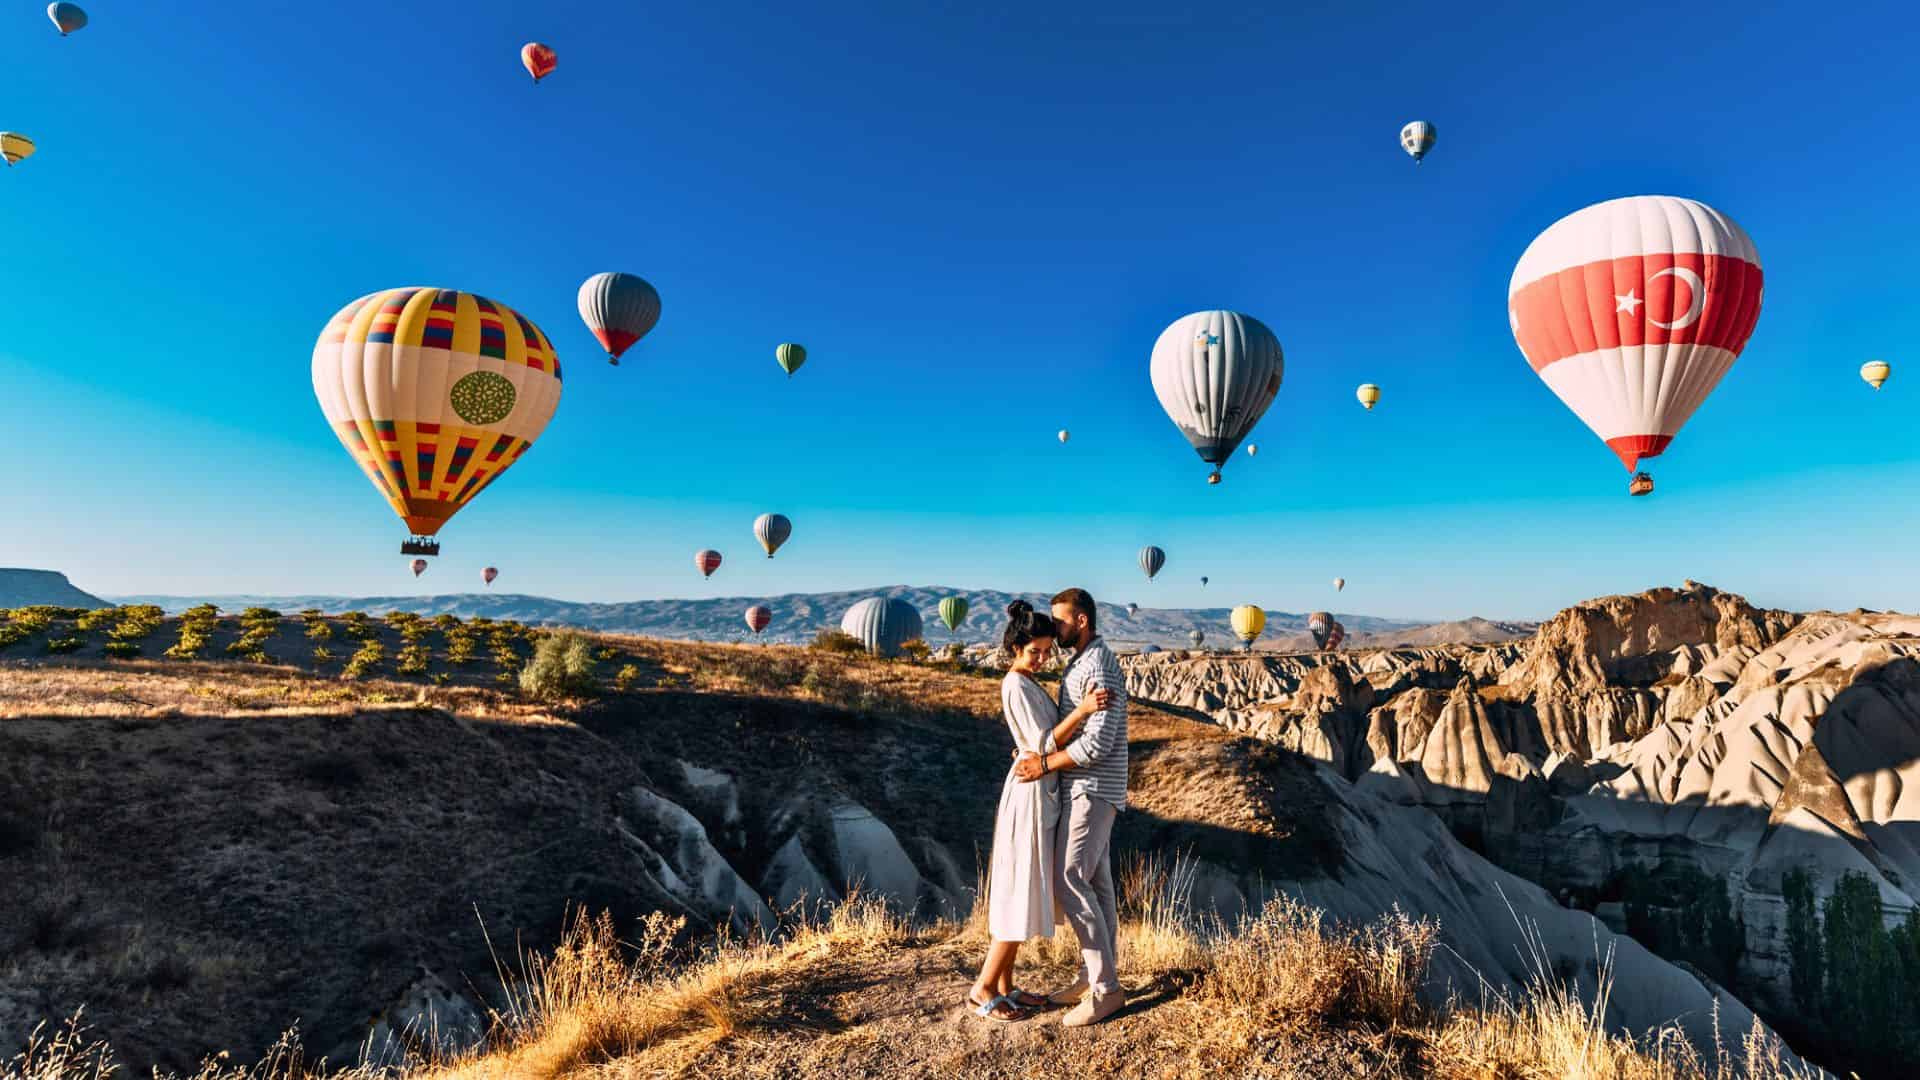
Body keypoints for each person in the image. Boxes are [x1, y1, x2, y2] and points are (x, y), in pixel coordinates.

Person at [968, 600, 1112, 1022]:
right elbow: (1045, 742)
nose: (1044, 657)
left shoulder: (1028, 682)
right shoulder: (1015, 684)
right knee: (1019, 889)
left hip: (1040, 788)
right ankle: (981, 989)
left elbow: (1034, 741)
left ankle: (1006, 986)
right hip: (1029, 793)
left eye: (1048, 650)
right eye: (1035, 651)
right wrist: (1084, 711)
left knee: (1028, 888)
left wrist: (1031, 747)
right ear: (1016, 648)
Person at [1014, 587, 1129, 1027]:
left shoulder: (1097, 664)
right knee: (1097, 885)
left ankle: (1106, 991)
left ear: (1080, 621)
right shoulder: (1083, 663)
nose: (1053, 627)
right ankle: (1093, 976)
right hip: (1087, 788)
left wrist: (1043, 764)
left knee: (1068, 879)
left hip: (1093, 787)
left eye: (1059, 621)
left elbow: (1098, 742)